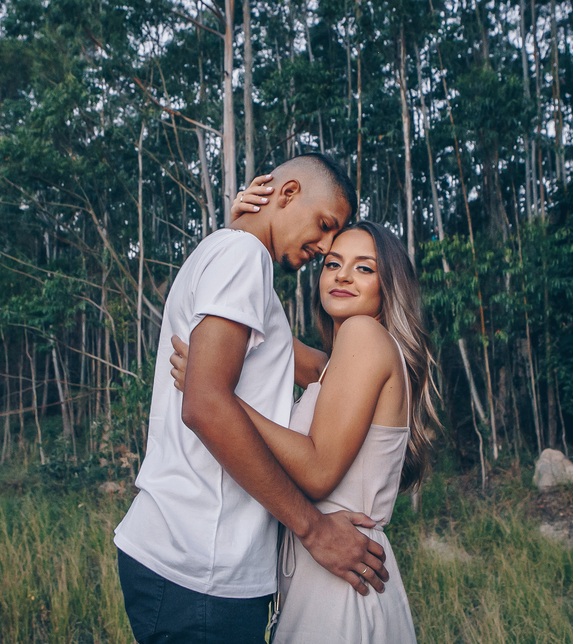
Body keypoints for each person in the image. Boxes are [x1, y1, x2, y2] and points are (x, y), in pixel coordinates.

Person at [113, 153, 390, 644]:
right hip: (200, 565)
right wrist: (314, 529)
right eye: (325, 225)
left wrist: (389, 363)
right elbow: (204, 405)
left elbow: (321, 369)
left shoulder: (234, 256)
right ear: (287, 194)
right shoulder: (241, 257)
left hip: (200, 565)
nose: (325, 247)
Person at [169, 179, 439, 643]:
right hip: (334, 565)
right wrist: (247, 232)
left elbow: (316, 471)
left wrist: (217, 395)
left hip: (340, 568)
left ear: (389, 285)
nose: (342, 275)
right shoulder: (341, 360)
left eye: (364, 268)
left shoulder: (364, 336)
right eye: (333, 263)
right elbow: (257, 321)